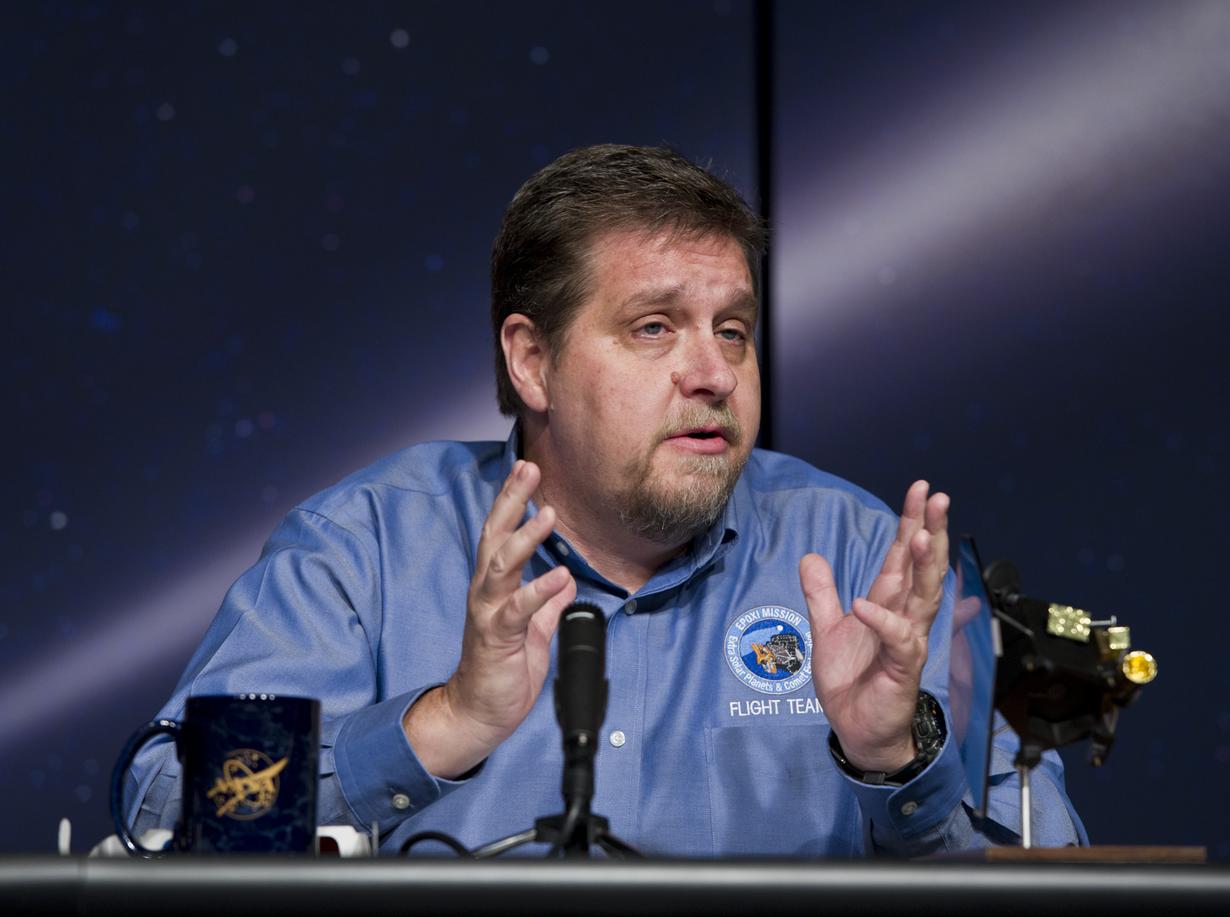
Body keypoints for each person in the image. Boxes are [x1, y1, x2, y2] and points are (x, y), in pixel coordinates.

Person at [125, 144, 1084, 856]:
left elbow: (1054, 877)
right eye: (654, 327)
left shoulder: (860, 556)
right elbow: (166, 808)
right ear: (531, 359)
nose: (713, 372)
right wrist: (445, 723)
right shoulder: (370, 547)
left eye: (736, 330)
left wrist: (893, 760)